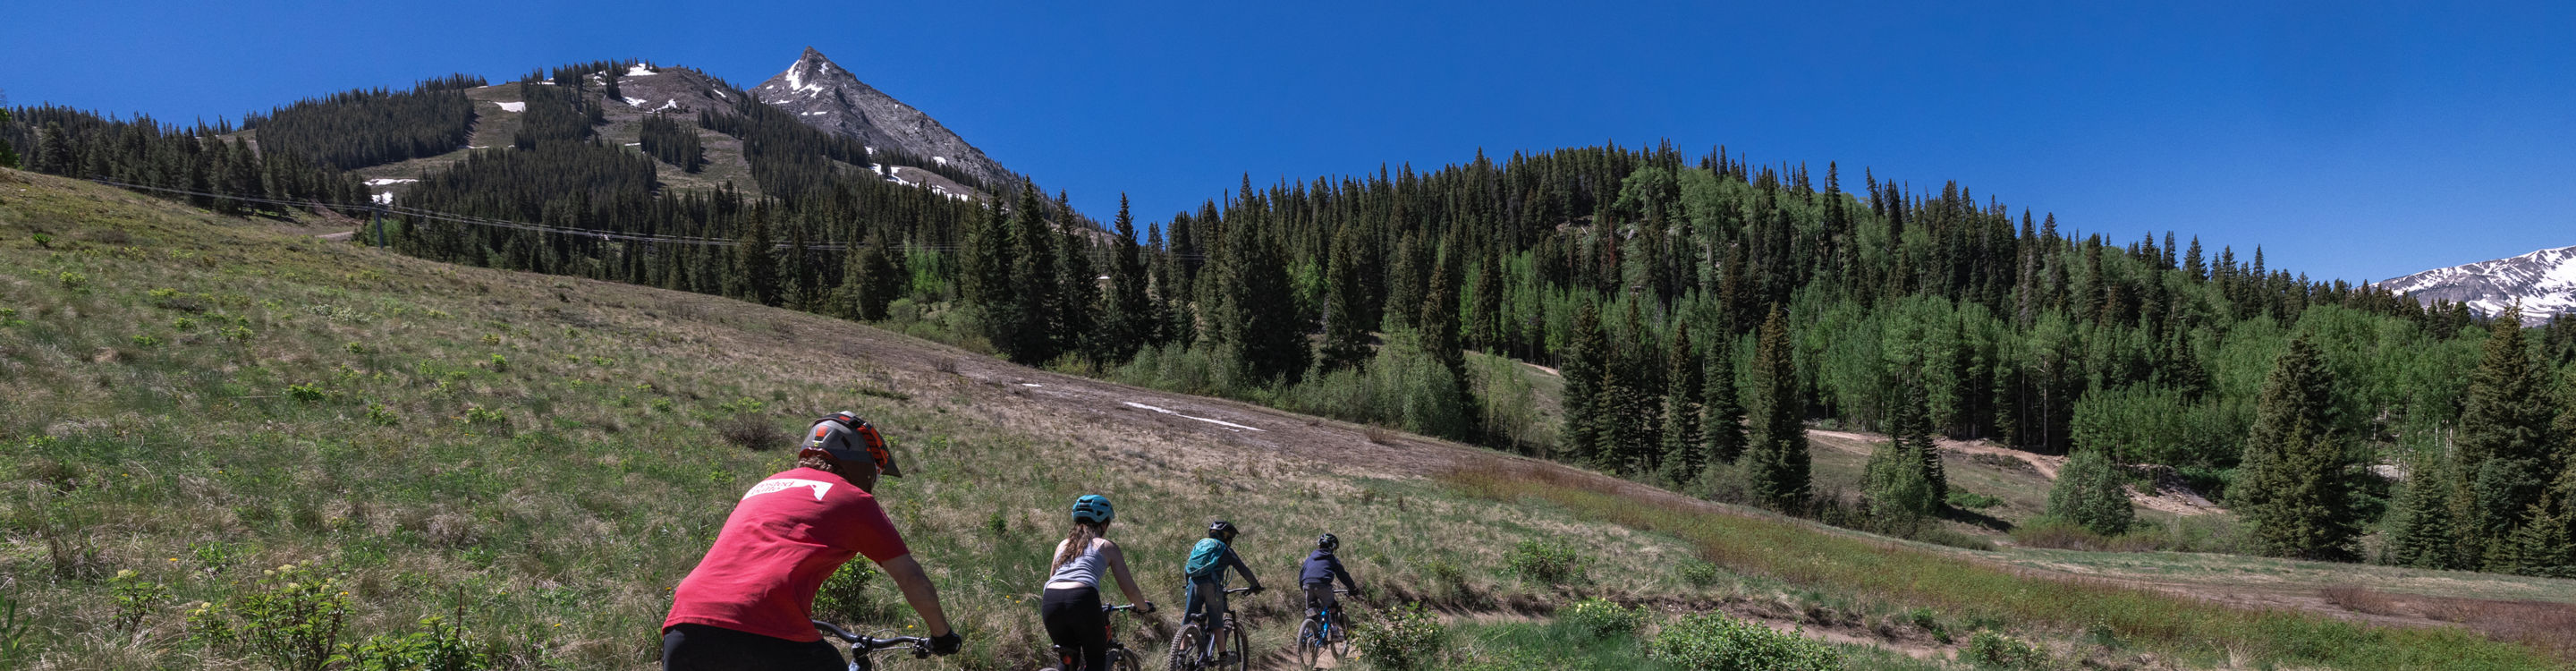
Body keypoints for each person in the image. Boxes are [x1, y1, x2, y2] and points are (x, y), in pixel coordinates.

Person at [661, 412, 962, 670]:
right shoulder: (852, 498)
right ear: (861, 461)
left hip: (686, 626)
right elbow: (911, 578)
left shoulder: (765, 485)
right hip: (764, 624)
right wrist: (942, 635)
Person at [1040, 495, 1156, 670]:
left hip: (1051, 600)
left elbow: (1053, 578)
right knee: (1095, 660)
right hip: (1082, 598)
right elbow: (1130, 589)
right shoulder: (1106, 546)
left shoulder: (1063, 544)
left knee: (1067, 658)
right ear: (1103, 524)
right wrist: (1143, 608)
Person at [1182, 520, 1263, 665]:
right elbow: (1243, 569)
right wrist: (1255, 585)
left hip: (1193, 583)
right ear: (1226, 537)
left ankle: (1180, 655)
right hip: (1212, 586)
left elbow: (1188, 566)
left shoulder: (1200, 544)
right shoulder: (1224, 549)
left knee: (1189, 620)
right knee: (1217, 623)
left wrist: (1187, 585)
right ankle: (1223, 656)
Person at [1299, 533, 1361, 624]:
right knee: (1333, 606)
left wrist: (1304, 588)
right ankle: (1335, 630)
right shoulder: (1332, 559)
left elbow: (1301, 574)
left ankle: (1308, 631)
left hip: (1306, 585)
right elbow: (1342, 575)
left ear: (1319, 544)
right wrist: (1353, 588)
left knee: (1311, 611)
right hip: (1322, 586)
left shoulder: (1310, 558)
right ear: (1333, 547)